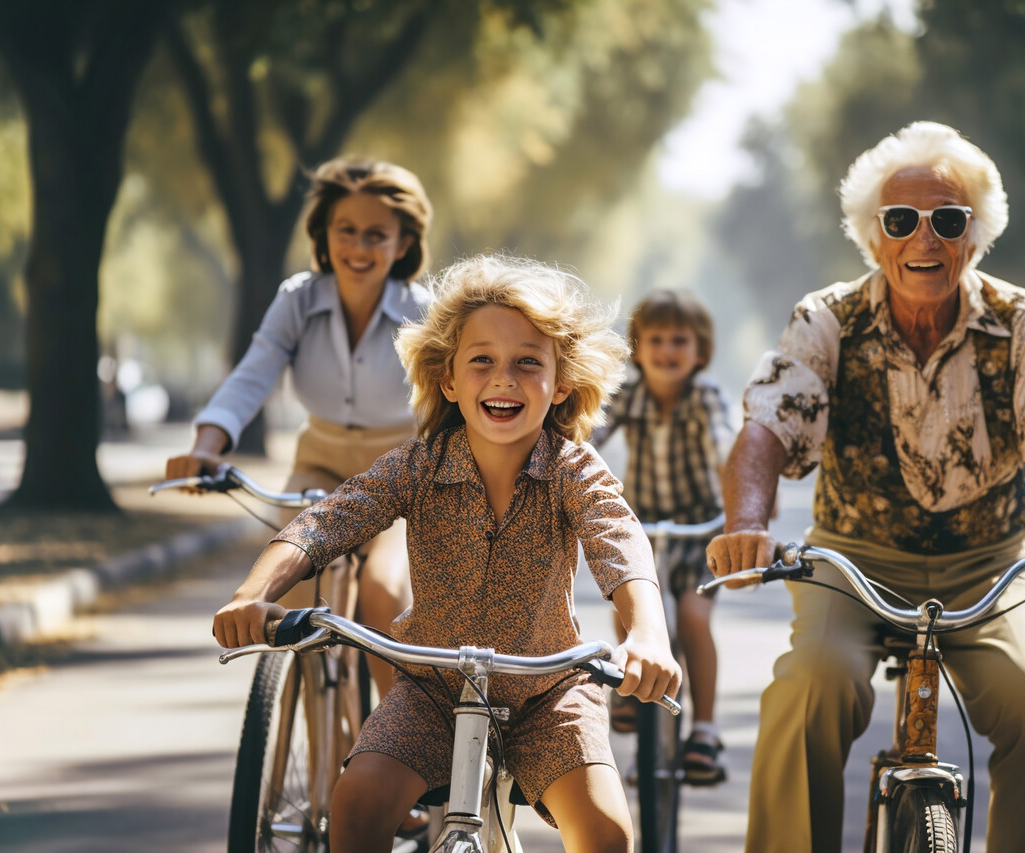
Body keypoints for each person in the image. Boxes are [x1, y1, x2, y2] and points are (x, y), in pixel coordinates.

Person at [705, 121, 1025, 853]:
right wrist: (746, 523)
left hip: (990, 567)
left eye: (947, 220)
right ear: (873, 238)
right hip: (853, 564)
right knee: (810, 687)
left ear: (974, 235)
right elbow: (766, 426)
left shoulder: (1017, 321)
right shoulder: (829, 319)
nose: (925, 239)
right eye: (901, 221)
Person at [212, 254, 682, 853]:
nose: (503, 379)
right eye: (481, 360)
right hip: (431, 690)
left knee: (607, 832)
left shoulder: (573, 469)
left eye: (527, 363)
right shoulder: (417, 466)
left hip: (547, 695)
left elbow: (619, 538)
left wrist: (647, 634)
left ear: (561, 382)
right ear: (449, 379)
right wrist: (253, 595)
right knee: (355, 803)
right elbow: (328, 520)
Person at [165, 157, 432, 699]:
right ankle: (295, 721)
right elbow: (253, 372)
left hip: (401, 476)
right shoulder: (298, 300)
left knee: (383, 591)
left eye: (376, 235)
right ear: (324, 235)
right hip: (319, 464)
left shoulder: (425, 312)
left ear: (403, 244)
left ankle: (400, 743)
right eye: (346, 231)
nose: (358, 248)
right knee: (280, 603)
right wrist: (205, 446)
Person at [589, 290, 734, 785]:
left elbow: (722, 443)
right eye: (655, 339)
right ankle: (636, 690)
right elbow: (592, 434)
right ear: (637, 346)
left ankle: (706, 731)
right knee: (626, 603)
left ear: (700, 351)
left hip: (701, 531)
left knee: (693, 617)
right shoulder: (630, 394)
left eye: (680, 341)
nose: (667, 350)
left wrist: (738, 497)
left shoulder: (705, 395)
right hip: (645, 529)